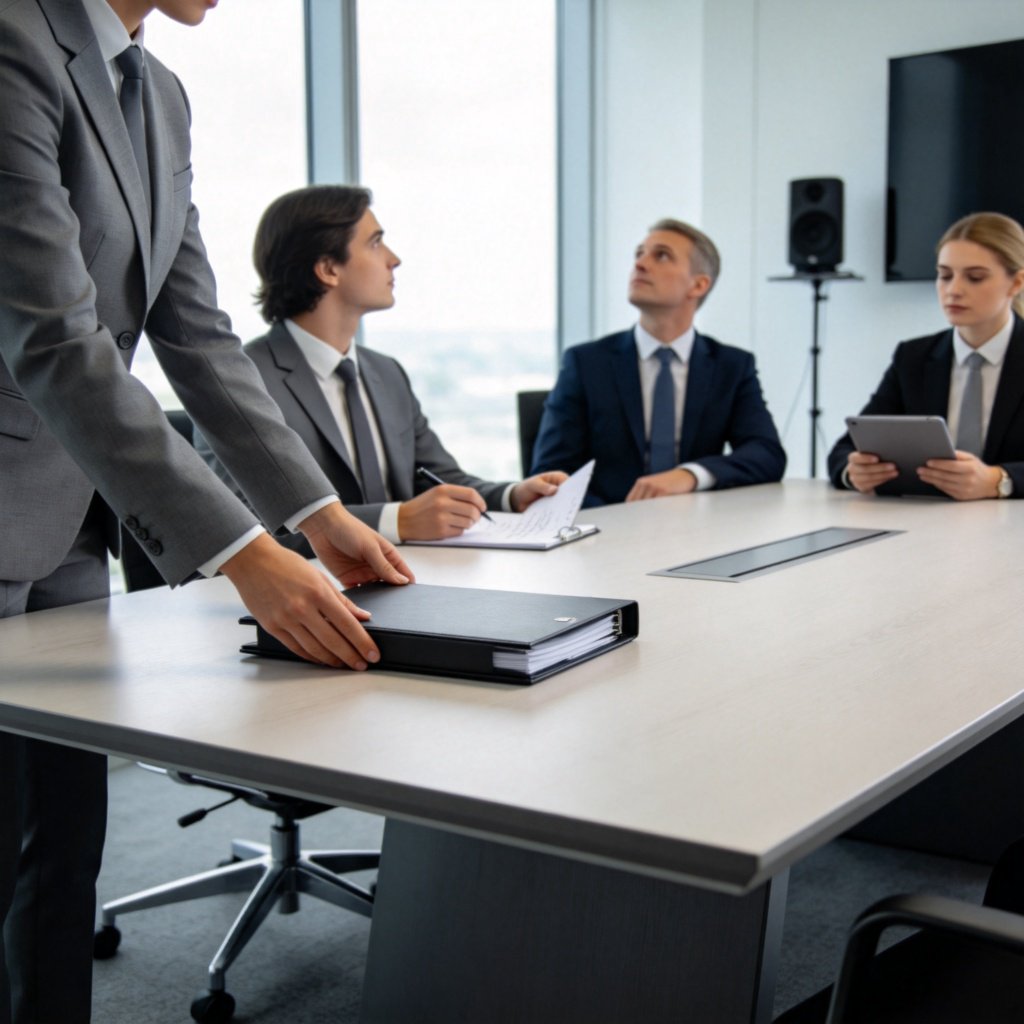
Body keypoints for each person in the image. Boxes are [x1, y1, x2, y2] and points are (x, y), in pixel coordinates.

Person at [0, 3, 413, 1022]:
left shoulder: (161, 94)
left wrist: (312, 509)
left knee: (61, 849)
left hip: (67, 517)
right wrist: (241, 547)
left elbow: (194, 329)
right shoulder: (12, 38)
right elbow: (53, 335)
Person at [196, 185, 567, 546]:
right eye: (375, 242)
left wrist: (513, 496)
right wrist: (396, 521)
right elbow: (248, 527)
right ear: (328, 268)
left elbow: (438, 480)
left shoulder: (386, 373)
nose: (394, 258)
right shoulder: (242, 382)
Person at [530, 218, 786, 506]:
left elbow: (767, 454)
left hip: (698, 529)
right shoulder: (586, 362)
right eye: (639, 253)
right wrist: (619, 521)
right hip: (608, 530)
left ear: (698, 284)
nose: (640, 264)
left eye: (661, 255)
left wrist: (690, 475)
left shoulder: (732, 366)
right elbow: (550, 474)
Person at [828, 212, 1024, 500]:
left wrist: (1000, 480)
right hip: (928, 524)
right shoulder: (914, 357)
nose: (953, 290)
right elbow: (845, 449)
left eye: (975, 277)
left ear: (1016, 283)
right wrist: (853, 472)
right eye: (944, 275)